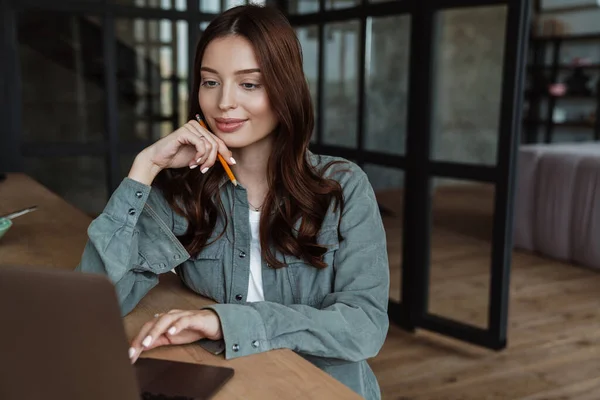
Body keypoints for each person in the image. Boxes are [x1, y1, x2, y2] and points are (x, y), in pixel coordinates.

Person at [76, 4, 389, 399]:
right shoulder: (183, 191)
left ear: (285, 88)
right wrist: (145, 167)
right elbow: (93, 305)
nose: (224, 103)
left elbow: (365, 327)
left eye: (249, 84)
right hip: (232, 385)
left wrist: (226, 322)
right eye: (210, 82)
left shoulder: (342, 187)